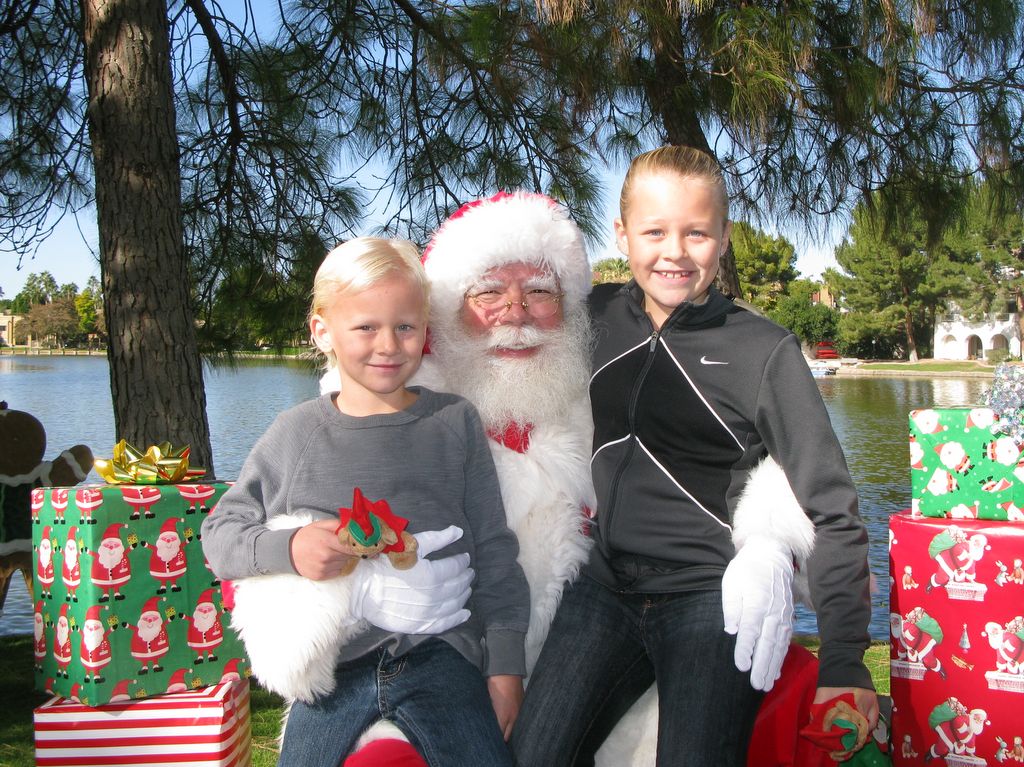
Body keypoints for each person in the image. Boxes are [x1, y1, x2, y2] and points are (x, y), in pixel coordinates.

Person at [336, 191, 816, 766]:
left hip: (606, 639)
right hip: (440, 663)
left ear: (570, 307)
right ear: (446, 310)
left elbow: (747, 457)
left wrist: (769, 541)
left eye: (539, 291)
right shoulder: (399, 411)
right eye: (487, 291)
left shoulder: (603, 389)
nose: (515, 313)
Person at [509, 146, 878, 766]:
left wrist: (846, 660)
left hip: (711, 598)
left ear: (724, 237)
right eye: (654, 231)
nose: (674, 252)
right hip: (602, 589)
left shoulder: (764, 350)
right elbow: (494, 335)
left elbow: (833, 509)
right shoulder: (592, 318)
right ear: (622, 234)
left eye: (697, 232)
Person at [201, 237, 530, 767]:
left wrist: (506, 668)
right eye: (365, 327)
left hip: (444, 657)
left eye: (405, 326)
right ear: (322, 332)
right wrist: (292, 548)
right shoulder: (296, 433)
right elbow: (219, 537)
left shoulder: (454, 422)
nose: (389, 345)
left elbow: (493, 549)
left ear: (426, 330)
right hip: (336, 668)